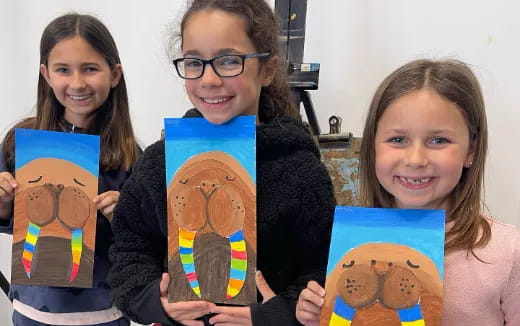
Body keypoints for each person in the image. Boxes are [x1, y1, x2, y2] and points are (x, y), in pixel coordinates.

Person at [108, 0, 336, 325]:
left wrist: (279, 314)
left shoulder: (301, 170)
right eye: (193, 62)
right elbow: (130, 248)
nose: (209, 79)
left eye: (229, 61)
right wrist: (153, 301)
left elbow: (323, 267)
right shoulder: (160, 163)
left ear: (268, 69)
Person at [295, 59, 520, 326]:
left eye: (439, 140)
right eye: (398, 140)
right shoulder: (349, 245)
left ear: (470, 151)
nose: (415, 159)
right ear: (373, 147)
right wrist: (317, 316)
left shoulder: (507, 252)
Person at [0, 13, 140, 326]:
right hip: (33, 313)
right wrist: (5, 207)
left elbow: (145, 242)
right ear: (46, 74)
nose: (77, 83)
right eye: (63, 70)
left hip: (105, 314)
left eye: (90, 69)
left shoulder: (131, 156)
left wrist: (125, 217)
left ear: (114, 74)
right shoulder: (18, 145)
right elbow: (12, 226)